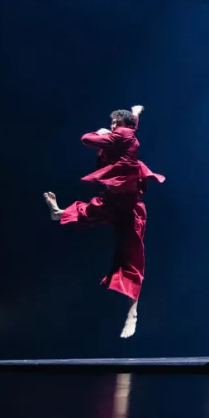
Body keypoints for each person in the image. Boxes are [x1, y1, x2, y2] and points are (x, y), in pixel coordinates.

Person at [44, 104, 163, 339]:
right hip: (112, 201)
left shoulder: (123, 135)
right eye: (111, 125)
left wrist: (102, 134)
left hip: (129, 208)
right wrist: (136, 112)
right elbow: (132, 124)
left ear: (123, 127)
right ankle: (58, 212)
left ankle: (132, 314)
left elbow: (86, 139)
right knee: (86, 213)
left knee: (131, 259)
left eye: (115, 124)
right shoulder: (126, 131)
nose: (112, 127)